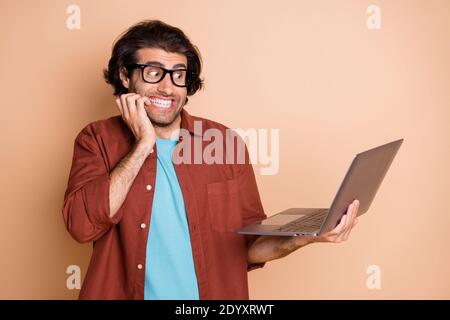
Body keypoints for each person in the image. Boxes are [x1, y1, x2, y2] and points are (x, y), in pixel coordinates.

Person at [62, 20, 360, 300]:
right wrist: (143, 144)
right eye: (153, 73)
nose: (167, 87)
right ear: (125, 76)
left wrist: (304, 236)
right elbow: (81, 226)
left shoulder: (224, 143)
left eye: (178, 75)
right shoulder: (96, 139)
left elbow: (247, 248)